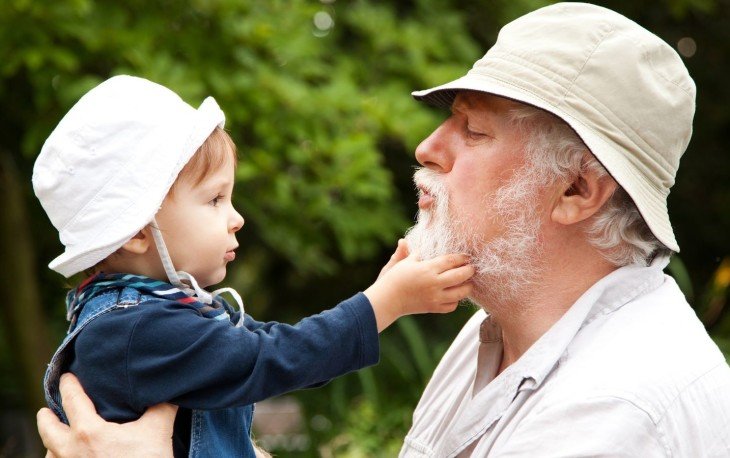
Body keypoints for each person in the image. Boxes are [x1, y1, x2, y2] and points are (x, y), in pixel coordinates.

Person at [37, 2, 730, 456]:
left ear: (577, 190)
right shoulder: (491, 338)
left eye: (473, 128)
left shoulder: (624, 408)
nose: (428, 147)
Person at [32, 75, 475, 458]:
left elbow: (281, 349)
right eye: (214, 199)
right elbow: (275, 358)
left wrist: (381, 293)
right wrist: (385, 303)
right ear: (136, 232)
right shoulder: (136, 331)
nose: (236, 217)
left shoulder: (157, 316)